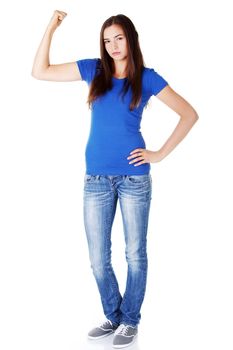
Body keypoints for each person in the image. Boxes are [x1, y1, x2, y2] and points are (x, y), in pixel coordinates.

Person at [32, 10, 199, 348]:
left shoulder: (148, 78)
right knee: (98, 257)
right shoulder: (94, 69)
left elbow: (189, 114)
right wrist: (51, 26)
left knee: (135, 253)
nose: (112, 45)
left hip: (135, 178)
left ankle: (130, 320)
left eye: (118, 38)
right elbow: (40, 71)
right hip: (95, 178)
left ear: (131, 39)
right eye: (107, 40)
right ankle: (113, 314)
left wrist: (159, 153)